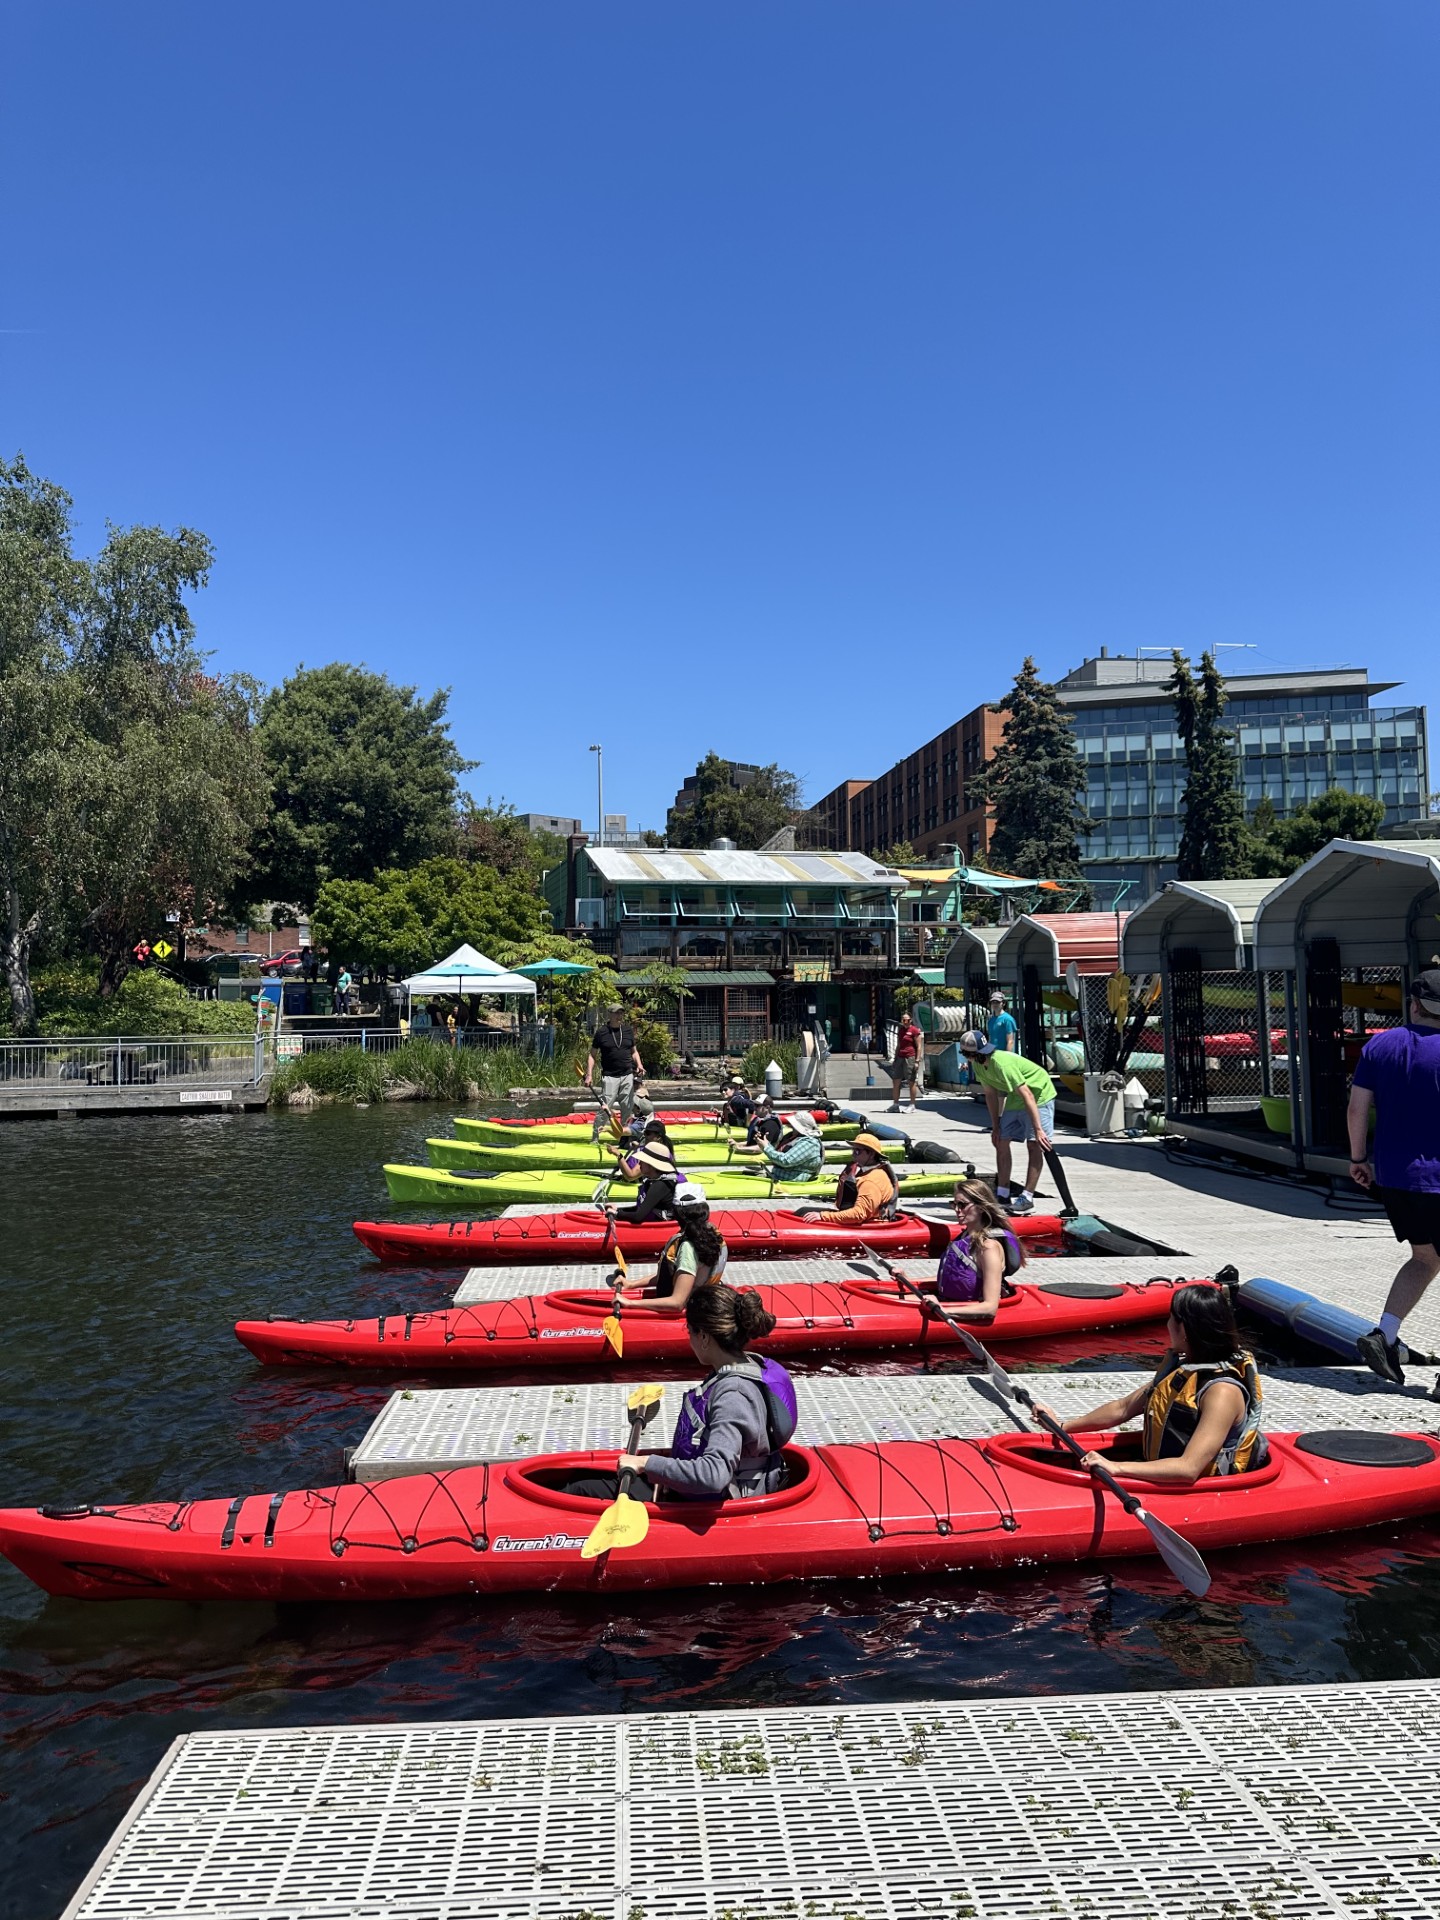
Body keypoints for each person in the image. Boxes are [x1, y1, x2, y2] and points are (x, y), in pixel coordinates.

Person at [560, 1284, 798, 1502]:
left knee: (579, 1489)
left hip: (715, 1500)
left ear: (704, 1337)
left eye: (689, 1331)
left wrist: (646, 1463)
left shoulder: (733, 1395)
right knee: (584, 1479)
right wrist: (663, 1470)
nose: (689, 1339)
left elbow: (714, 1475)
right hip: (702, 1487)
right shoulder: (744, 1365)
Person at [1034, 1284, 1268, 1483]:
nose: (1167, 1325)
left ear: (1184, 1330)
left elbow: (1189, 1468)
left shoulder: (1222, 1392)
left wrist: (1116, 1467)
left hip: (1199, 1489)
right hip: (1160, 1471)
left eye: (1171, 1318)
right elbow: (1123, 1408)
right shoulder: (1185, 1370)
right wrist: (1062, 1426)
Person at [1348, 968, 1440, 1388]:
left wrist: (1358, 1158)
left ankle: (1384, 1335)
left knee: (1425, 1258)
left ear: (1414, 1004)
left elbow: (1357, 1109)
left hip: (1396, 1179)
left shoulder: (1380, 1045)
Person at [958, 1029, 1055, 1215]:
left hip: (1039, 1094)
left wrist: (1038, 1129)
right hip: (1016, 1097)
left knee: (1034, 1145)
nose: (968, 1058)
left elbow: (1028, 1094)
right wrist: (995, 1127)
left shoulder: (1003, 1064)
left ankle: (1027, 1198)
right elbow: (990, 1095)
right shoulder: (978, 1066)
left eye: (970, 1054)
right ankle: (1002, 1195)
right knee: (1001, 1140)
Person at [611, 1182, 728, 1316]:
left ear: (677, 1213)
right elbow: (677, 1276)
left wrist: (630, 1303)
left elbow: (677, 1303)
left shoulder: (688, 1247)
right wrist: (631, 1284)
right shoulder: (714, 1236)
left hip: (688, 1313)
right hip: (704, 1302)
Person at [930, 1179, 1026, 1317]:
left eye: (962, 1205)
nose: (957, 1210)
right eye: (954, 1204)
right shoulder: (965, 1236)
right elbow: (953, 1275)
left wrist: (942, 1310)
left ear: (981, 1207)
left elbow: (990, 1307)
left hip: (969, 1308)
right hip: (948, 1301)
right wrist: (908, 1280)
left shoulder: (988, 1248)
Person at [806, 1132, 900, 1226]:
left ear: (871, 1154)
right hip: (865, 1218)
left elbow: (859, 1214)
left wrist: (823, 1216)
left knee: (806, 1214)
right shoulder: (873, 1171)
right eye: (853, 1150)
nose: (853, 1154)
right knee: (803, 1211)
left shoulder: (869, 1181)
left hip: (870, 1224)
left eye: (857, 1151)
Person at [586, 1006, 645, 1141]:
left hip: (627, 1074)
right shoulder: (601, 1032)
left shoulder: (628, 1031)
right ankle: (595, 1138)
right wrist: (589, 1075)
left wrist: (639, 1065)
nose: (619, 1016)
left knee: (627, 1107)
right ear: (610, 1014)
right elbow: (592, 1055)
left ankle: (624, 1138)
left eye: (621, 1013)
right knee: (606, 1107)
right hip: (609, 1076)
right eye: (616, 1013)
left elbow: (634, 1052)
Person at [739, 1107, 825, 1183]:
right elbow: (777, 1154)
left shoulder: (809, 1143)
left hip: (791, 1182)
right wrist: (763, 1142)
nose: (790, 1125)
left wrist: (766, 1147)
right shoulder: (794, 1137)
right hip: (776, 1176)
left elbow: (786, 1161)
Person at [608, 1136, 680, 1226]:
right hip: (655, 1222)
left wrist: (617, 1214)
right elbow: (641, 1209)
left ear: (652, 1165)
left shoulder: (660, 1185)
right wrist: (617, 1210)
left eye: (642, 1161)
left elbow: (638, 1217)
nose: (639, 1163)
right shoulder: (652, 1181)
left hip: (663, 1228)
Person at [888, 1010, 924, 1113]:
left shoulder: (914, 1030)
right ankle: (895, 1104)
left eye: (906, 1020)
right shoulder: (901, 1030)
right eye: (903, 1020)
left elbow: (919, 1046)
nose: (904, 1022)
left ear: (910, 1020)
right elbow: (899, 1045)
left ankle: (912, 1105)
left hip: (910, 1057)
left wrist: (917, 1060)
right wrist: (895, 1058)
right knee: (896, 1081)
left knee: (911, 1081)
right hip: (900, 1057)